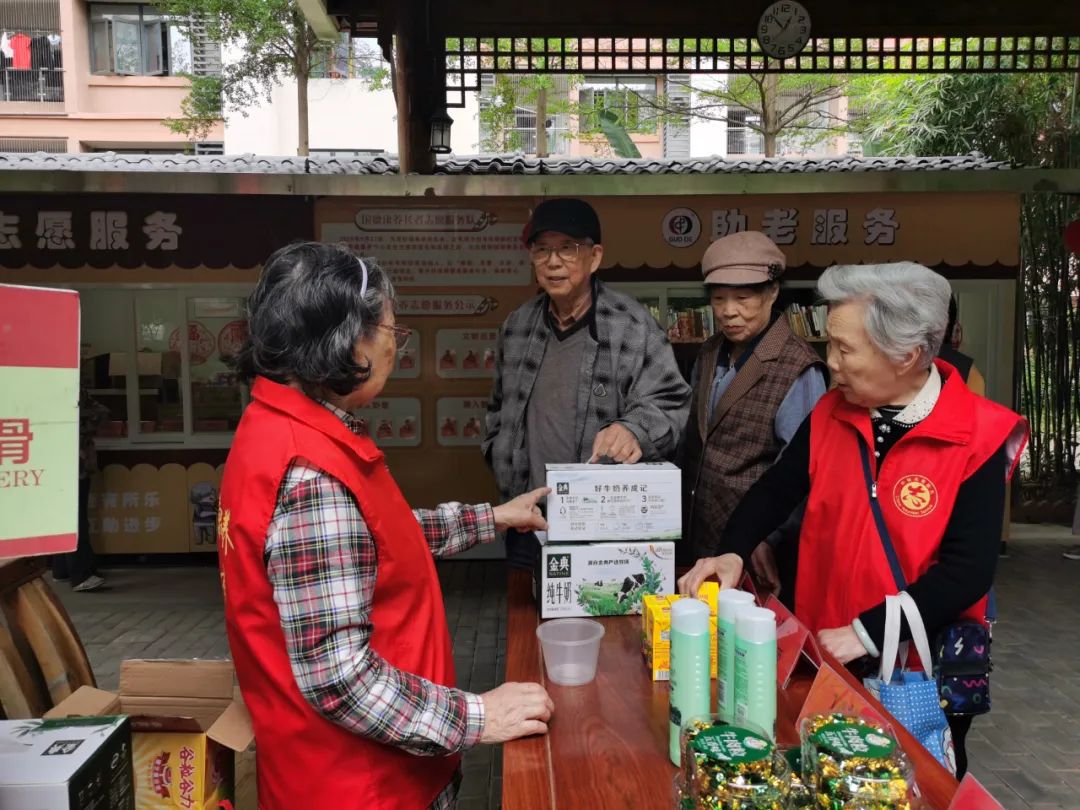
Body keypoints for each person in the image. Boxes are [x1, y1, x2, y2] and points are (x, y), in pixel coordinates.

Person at [218, 243, 554, 809]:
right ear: (348, 339)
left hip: (329, 771)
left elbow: (373, 538)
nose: (396, 346)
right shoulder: (310, 472)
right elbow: (341, 679)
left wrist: (493, 517)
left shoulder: (275, 426)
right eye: (392, 330)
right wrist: (479, 715)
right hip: (364, 785)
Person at [679, 262, 1028, 779]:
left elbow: (967, 571)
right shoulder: (831, 412)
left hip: (914, 666)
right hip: (824, 650)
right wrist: (732, 550)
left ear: (906, 355)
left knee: (908, 782)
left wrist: (867, 634)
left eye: (845, 349)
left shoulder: (980, 436)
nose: (830, 362)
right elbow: (776, 490)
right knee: (819, 772)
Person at [483, 198, 691, 569]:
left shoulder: (632, 324)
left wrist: (633, 430)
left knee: (604, 618)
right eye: (542, 249)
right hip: (529, 516)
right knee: (527, 622)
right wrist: (499, 454)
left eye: (567, 248)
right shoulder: (516, 327)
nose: (553, 261)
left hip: (605, 522)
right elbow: (498, 408)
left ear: (594, 257)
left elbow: (671, 404)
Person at [681, 231, 827, 579]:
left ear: (772, 292)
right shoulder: (709, 351)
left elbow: (805, 472)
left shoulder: (797, 366)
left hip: (758, 548)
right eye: (718, 298)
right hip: (702, 532)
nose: (729, 312)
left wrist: (768, 537)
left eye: (743, 298)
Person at [53, 376, 108, 592]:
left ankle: (61, 569)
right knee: (76, 517)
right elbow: (100, 413)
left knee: (62, 516)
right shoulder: (72, 386)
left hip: (54, 462)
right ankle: (81, 574)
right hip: (75, 461)